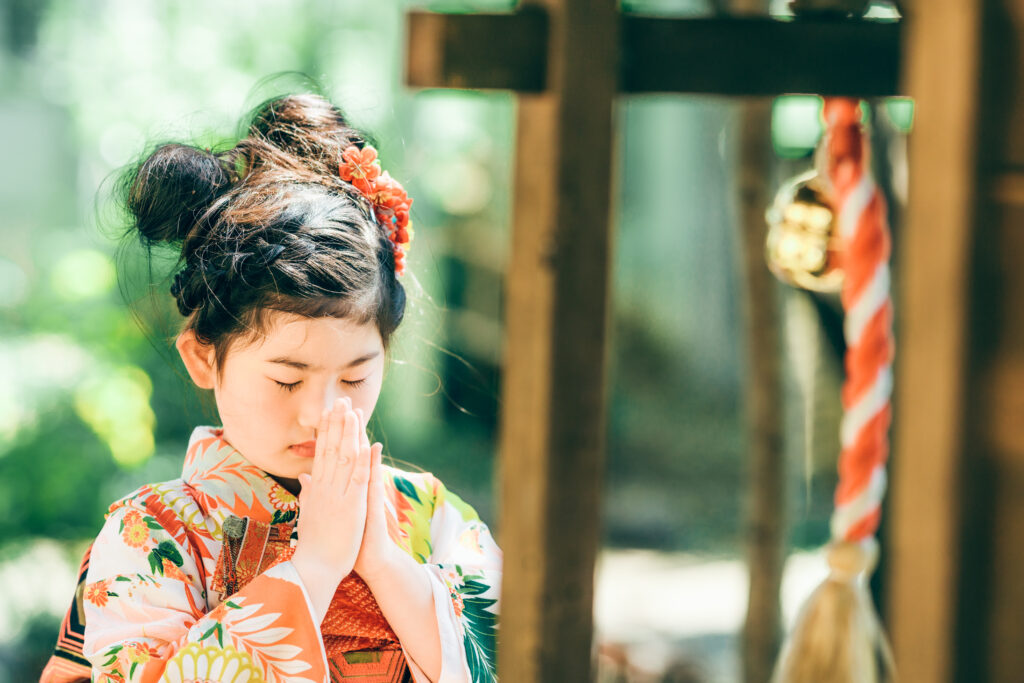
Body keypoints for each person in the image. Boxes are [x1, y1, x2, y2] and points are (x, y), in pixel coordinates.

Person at [40, 92, 502, 683]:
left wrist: (383, 562)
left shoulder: (428, 513)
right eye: (288, 379)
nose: (322, 410)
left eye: (357, 376)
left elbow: (515, 656)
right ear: (204, 358)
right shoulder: (153, 535)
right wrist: (312, 569)